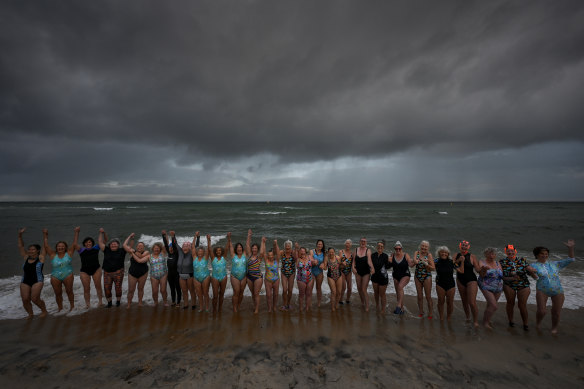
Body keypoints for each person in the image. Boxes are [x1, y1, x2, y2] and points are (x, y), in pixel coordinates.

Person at [531, 240, 575, 334]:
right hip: (542, 290)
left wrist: (570, 248)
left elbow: (570, 259)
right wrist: (531, 273)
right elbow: (532, 275)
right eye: (542, 253)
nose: (544, 255)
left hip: (557, 290)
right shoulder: (533, 265)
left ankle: (554, 328)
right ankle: (538, 323)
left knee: (556, 312)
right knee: (542, 311)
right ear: (537, 255)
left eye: (546, 254)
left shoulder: (555, 264)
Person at [500, 244, 536, 330]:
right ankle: (511, 321)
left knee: (522, 305)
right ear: (506, 252)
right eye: (508, 251)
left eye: (512, 251)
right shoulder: (502, 262)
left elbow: (528, 268)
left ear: (515, 251)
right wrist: (511, 275)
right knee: (510, 303)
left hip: (523, 284)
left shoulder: (522, 260)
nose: (510, 252)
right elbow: (501, 275)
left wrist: (533, 270)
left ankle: (525, 324)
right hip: (509, 284)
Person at [43, 227, 77, 312]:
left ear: (65, 248)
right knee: (58, 294)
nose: (60, 248)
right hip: (55, 276)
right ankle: (60, 308)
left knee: (69, 291)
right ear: (56, 247)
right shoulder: (52, 254)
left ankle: (72, 307)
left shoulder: (69, 253)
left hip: (68, 275)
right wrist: (45, 235)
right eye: (59, 246)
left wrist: (76, 232)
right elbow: (46, 246)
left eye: (62, 246)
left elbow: (74, 243)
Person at [18, 228, 48, 318]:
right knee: (25, 299)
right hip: (25, 280)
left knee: (34, 298)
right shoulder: (26, 257)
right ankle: (30, 314)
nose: (30, 251)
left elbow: (45, 246)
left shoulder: (41, 258)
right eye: (29, 249)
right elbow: (21, 246)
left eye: (33, 249)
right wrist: (19, 235)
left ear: (37, 250)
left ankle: (44, 311)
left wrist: (45, 235)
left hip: (37, 280)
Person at [74, 229, 103, 308]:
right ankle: (88, 304)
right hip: (84, 271)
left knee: (98, 286)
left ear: (92, 243)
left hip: (96, 269)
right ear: (84, 244)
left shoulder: (96, 248)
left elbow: (103, 241)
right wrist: (77, 232)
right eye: (86, 242)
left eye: (89, 242)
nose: (88, 243)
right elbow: (75, 244)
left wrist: (101, 233)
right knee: (86, 288)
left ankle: (100, 302)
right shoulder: (81, 250)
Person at [476, 247, 503, 329]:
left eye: (493, 254)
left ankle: (487, 319)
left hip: (498, 287)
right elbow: (482, 275)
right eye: (489, 254)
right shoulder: (482, 262)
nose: (491, 256)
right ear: (485, 254)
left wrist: (513, 278)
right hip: (486, 285)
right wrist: (484, 269)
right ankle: (485, 323)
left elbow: (501, 275)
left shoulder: (498, 263)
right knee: (494, 305)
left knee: (490, 305)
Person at [434, 246, 464, 321]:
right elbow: (430, 268)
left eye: (445, 252)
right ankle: (441, 317)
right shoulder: (436, 261)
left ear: (448, 254)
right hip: (440, 283)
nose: (444, 253)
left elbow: (461, 271)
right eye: (442, 252)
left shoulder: (451, 262)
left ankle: (448, 317)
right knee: (440, 301)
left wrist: (462, 261)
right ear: (439, 253)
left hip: (450, 284)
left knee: (450, 302)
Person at [98, 228, 126, 308]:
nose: (113, 245)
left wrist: (131, 237)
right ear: (109, 245)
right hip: (107, 273)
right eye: (112, 244)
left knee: (118, 288)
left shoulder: (122, 250)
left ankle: (118, 302)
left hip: (118, 272)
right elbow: (100, 242)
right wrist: (101, 233)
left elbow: (129, 245)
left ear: (118, 245)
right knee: (107, 288)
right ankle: (109, 303)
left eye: (115, 244)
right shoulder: (106, 250)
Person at [455, 240, 480, 327]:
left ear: (468, 247)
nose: (464, 247)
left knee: (472, 302)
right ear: (460, 246)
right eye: (463, 245)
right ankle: (468, 317)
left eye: (466, 246)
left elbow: (477, 269)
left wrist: (483, 269)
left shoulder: (472, 256)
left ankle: (476, 321)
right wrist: (459, 259)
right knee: (464, 301)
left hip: (471, 280)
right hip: (460, 280)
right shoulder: (456, 255)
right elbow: (453, 264)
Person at [123, 234, 150, 309]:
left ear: (144, 248)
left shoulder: (146, 252)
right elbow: (124, 245)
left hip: (143, 273)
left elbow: (140, 257)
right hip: (132, 273)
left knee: (140, 289)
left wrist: (132, 251)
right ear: (136, 246)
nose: (140, 247)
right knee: (131, 290)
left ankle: (140, 302)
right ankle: (129, 303)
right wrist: (130, 237)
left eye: (141, 246)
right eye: (138, 246)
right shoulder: (131, 252)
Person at [174, 231, 199, 310]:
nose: (185, 247)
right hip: (181, 275)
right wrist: (173, 236)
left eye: (187, 246)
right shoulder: (180, 252)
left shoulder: (192, 253)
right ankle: (185, 304)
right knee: (184, 291)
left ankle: (194, 304)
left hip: (190, 275)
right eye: (184, 246)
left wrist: (196, 237)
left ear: (189, 247)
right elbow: (175, 244)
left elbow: (196, 245)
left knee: (191, 290)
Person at [413, 240, 435, 318]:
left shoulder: (429, 255)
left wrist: (427, 263)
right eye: (423, 246)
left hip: (427, 276)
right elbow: (414, 261)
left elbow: (433, 268)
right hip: (417, 276)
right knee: (419, 296)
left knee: (428, 296)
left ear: (428, 248)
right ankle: (421, 311)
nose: (424, 248)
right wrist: (415, 261)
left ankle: (430, 313)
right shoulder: (417, 253)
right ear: (420, 246)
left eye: (426, 246)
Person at [352, 237, 375, 312]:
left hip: (366, 273)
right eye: (362, 241)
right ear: (359, 242)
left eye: (364, 241)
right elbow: (354, 261)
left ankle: (367, 306)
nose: (363, 242)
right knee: (359, 288)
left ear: (366, 243)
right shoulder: (356, 249)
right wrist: (353, 268)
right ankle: (362, 302)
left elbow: (369, 261)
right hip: (358, 272)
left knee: (363, 289)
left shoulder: (368, 250)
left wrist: (372, 268)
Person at [390, 241, 413, 314]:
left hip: (405, 275)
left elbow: (410, 264)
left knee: (400, 287)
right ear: (394, 249)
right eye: (396, 249)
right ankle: (401, 309)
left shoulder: (406, 255)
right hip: (396, 275)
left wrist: (415, 261)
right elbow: (388, 264)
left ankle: (398, 306)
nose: (398, 250)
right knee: (398, 292)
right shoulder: (392, 255)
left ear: (401, 248)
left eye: (399, 249)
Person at [226, 232, 246, 313]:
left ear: (242, 248)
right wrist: (229, 238)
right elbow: (230, 246)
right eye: (237, 247)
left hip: (244, 276)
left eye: (240, 247)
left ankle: (239, 305)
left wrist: (249, 236)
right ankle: (234, 307)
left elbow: (248, 244)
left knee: (241, 292)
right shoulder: (233, 255)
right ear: (236, 249)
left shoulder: (245, 254)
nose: (239, 248)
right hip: (234, 276)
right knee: (236, 291)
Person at [209, 234, 228, 314]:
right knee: (215, 295)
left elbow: (227, 248)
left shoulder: (224, 257)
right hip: (215, 277)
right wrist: (209, 240)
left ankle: (220, 308)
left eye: (220, 250)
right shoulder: (213, 258)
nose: (218, 251)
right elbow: (209, 249)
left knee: (222, 294)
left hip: (223, 277)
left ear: (222, 251)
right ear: (215, 252)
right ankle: (214, 309)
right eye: (217, 250)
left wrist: (229, 239)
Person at [370, 241, 391, 314]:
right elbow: (370, 265)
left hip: (383, 277)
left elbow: (387, 267)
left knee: (382, 294)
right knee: (376, 293)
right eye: (378, 246)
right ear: (376, 247)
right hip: (374, 277)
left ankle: (383, 309)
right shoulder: (373, 255)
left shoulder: (385, 256)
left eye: (381, 246)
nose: (380, 247)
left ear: (383, 248)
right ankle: (377, 305)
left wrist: (391, 262)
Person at [295, 243, 317, 312]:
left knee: (308, 294)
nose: (302, 253)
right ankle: (301, 308)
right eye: (301, 251)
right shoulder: (298, 259)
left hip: (310, 278)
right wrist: (296, 247)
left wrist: (315, 262)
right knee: (301, 295)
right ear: (299, 252)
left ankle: (307, 308)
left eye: (303, 251)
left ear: (305, 252)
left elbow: (314, 262)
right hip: (301, 279)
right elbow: (295, 254)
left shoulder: (309, 257)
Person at [246, 229, 263, 314]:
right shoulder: (249, 255)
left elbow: (262, 252)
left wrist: (262, 242)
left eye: (256, 248)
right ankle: (254, 305)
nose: (254, 250)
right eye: (253, 248)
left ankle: (256, 308)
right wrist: (249, 235)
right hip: (249, 276)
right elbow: (247, 245)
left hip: (257, 277)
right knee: (253, 293)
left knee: (256, 293)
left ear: (257, 249)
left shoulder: (259, 257)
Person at [162, 230, 181, 307]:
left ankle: (178, 302)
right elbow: (166, 245)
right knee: (172, 288)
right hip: (170, 275)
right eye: (170, 248)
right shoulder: (169, 254)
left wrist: (173, 236)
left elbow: (174, 244)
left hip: (176, 274)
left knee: (177, 288)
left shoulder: (176, 254)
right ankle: (173, 301)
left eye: (172, 247)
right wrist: (163, 236)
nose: (170, 249)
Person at [193, 236, 210, 312]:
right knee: (199, 294)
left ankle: (207, 307)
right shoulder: (194, 257)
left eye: (201, 251)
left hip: (205, 277)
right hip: (196, 278)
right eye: (198, 251)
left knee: (205, 293)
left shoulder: (205, 258)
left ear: (203, 252)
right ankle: (201, 307)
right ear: (197, 252)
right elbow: (192, 247)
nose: (200, 252)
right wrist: (195, 237)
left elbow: (209, 250)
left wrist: (208, 240)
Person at [262, 237, 280, 313]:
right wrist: (263, 243)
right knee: (268, 295)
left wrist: (275, 244)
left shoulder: (277, 260)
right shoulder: (266, 260)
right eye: (269, 255)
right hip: (268, 280)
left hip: (276, 280)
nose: (270, 256)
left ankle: (274, 307)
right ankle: (269, 308)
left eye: (272, 255)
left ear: (274, 255)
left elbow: (278, 252)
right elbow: (263, 252)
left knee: (275, 295)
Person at [278, 240, 296, 311]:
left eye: (289, 247)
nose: (287, 248)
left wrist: (297, 248)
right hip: (283, 273)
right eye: (286, 247)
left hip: (292, 273)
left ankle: (288, 304)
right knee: (285, 290)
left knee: (290, 290)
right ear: (284, 247)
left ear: (291, 247)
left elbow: (298, 257)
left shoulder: (293, 252)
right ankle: (284, 304)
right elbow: (275, 254)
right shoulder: (282, 252)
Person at [149, 242, 168, 306]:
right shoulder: (149, 256)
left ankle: (165, 302)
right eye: (155, 248)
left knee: (163, 290)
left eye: (158, 248)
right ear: (153, 249)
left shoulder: (162, 254)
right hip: (153, 276)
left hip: (163, 275)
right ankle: (156, 302)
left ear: (160, 249)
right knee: (154, 291)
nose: (156, 249)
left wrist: (165, 235)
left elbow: (166, 244)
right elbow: (140, 260)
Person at [323, 247, 343, 311]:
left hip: (339, 276)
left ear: (334, 252)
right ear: (328, 252)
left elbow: (341, 266)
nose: (331, 253)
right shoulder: (326, 258)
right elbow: (325, 268)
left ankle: (336, 304)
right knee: (333, 292)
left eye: (332, 252)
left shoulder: (337, 258)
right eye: (330, 252)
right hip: (330, 276)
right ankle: (332, 307)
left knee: (339, 292)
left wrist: (343, 264)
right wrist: (322, 266)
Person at [310, 240, 326, 308]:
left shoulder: (324, 253)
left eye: (321, 244)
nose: (320, 245)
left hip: (319, 272)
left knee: (318, 288)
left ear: (323, 245)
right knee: (310, 288)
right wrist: (313, 261)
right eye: (318, 244)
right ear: (316, 244)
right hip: (311, 271)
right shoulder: (312, 251)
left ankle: (319, 303)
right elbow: (310, 259)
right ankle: (309, 302)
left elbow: (325, 266)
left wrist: (323, 265)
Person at [339, 239, 354, 305]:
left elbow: (354, 263)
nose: (348, 245)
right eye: (347, 243)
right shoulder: (341, 252)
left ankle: (347, 299)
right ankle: (340, 299)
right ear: (345, 244)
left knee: (350, 287)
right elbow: (338, 261)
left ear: (351, 245)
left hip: (349, 272)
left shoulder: (352, 253)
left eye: (349, 244)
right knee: (343, 287)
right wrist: (342, 262)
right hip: (342, 271)